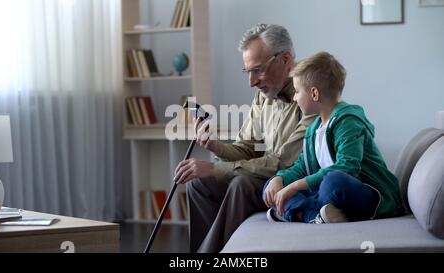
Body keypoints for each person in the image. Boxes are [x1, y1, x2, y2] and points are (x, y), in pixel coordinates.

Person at [173, 23, 315, 253]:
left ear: (286, 59)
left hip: (293, 182)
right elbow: (247, 148)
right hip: (264, 178)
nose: (252, 81)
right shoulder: (263, 97)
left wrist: (215, 168)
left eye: (258, 69)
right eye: (248, 71)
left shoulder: (309, 96)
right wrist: (216, 146)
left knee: (241, 183)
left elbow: (283, 163)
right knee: (199, 184)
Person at [263, 51, 404, 224]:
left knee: (333, 182)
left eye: (297, 91)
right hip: (327, 194)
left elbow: (347, 167)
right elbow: (301, 167)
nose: (294, 97)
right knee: (271, 185)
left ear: (314, 93)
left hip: (368, 194)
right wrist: (281, 179)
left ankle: (297, 212)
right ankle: (317, 215)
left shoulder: (347, 121)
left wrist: (294, 186)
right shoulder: (313, 129)